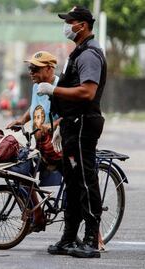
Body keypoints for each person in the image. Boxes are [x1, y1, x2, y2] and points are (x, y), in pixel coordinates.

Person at [37, 6, 107, 258]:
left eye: (71, 21)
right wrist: (61, 122)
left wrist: (52, 90)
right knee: (73, 183)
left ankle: (90, 239)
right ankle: (68, 238)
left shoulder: (89, 55)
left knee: (86, 182)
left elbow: (87, 92)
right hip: (71, 124)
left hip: (84, 124)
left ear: (83, 25)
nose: (67, 26)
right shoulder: (77, 53)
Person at [6, 51, 62, 232]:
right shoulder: (36, 85)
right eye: (30, 68)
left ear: (49, 68)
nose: (31, 72)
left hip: (57, 145)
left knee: (77, 185)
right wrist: (22, 121)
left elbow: (70, 113)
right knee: (20, 172)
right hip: (40, 145)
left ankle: (95, 234)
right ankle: (38, 215)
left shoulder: (61, 86)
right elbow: (34, 106)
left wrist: (51, 126)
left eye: (35, 69)